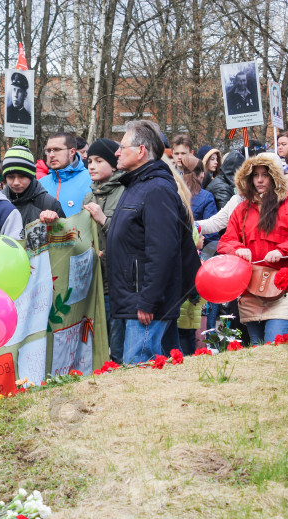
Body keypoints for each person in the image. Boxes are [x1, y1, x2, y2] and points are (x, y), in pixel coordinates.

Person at [106, 120, 200, 364]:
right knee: (166, 366)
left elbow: (163, 250)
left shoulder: (156, 189)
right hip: (139, 299)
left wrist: (148, 300)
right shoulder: (137, 184)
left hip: (147, 304)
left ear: (141, 151)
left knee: (139, 367)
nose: (116, 152)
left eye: (122, 146)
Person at [218, 154, 288, 343]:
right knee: (257, 348)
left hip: (285, 290)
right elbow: (225, 242)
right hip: (251, 289)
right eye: (255, 175)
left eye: (265, 174)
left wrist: (283, 250)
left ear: (275, 176)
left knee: (273, 344)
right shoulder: (241, 210)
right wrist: (237, 249)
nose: (259, 180)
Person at [81, 138, 125, 361]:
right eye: (89, 161)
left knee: (116, 341)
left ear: (114, 164)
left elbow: (128, 235)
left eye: (99, 160)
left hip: (117, 280)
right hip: (94, 278)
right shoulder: (89, 196)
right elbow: (84, 234)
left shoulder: (125, 191)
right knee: (95, 341)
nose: (92, 166)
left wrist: (103, 219)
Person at [1, 139, 64, 226]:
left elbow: (64, 235)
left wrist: (55, 222)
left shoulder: (49, 203)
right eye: (11, 177)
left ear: (31, 177)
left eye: (22, 176)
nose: (16, 182)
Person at [39, 132, 92, 217]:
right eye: (48, 151)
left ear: (72, 152)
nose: (51, 155)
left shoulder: (91, 180)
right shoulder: (41, 184)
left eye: (57, 149)